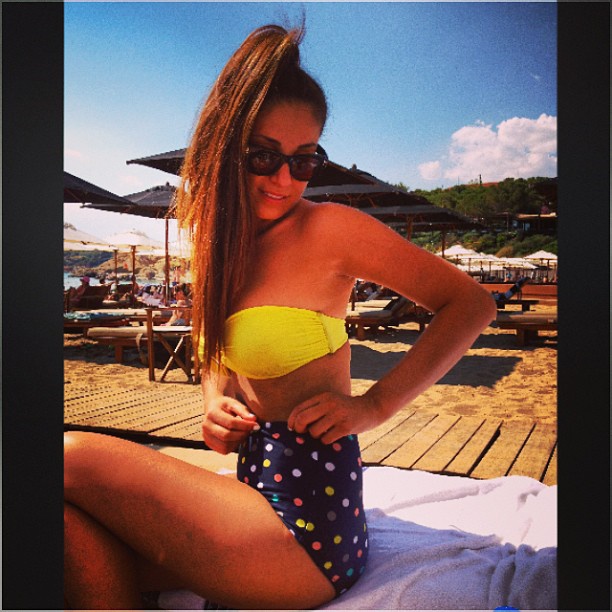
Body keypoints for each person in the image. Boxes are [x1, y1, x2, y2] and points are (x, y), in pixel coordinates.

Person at [64, 23, 497, 610]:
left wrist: (375, 405)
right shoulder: (221, 248)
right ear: (223, 149)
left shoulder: (329, 230)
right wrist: (214, 403)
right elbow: (217, 356)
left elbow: (470, 304)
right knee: (69, 533)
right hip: (250, 498)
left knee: (68, 458)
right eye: (263, 156)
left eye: (304, 160)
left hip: (306, 528)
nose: (283, 179)